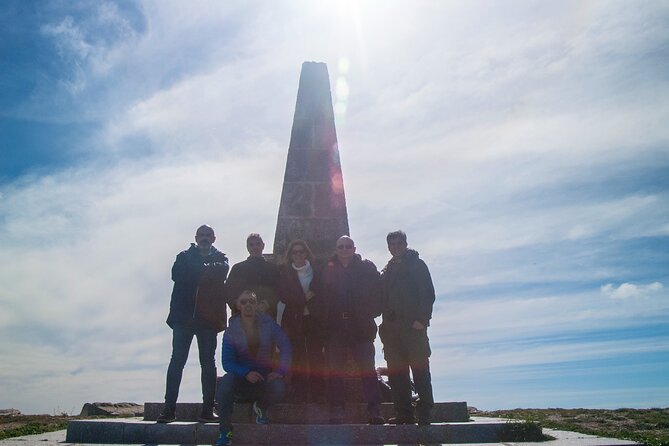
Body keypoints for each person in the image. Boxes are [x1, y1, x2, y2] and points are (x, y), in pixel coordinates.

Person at [158, 225, 229, 423]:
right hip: (183, 318)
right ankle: (168, 410)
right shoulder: (183, 256)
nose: (205, 238)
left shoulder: (221, 258)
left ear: (214, 238)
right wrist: (204, 273)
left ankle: (208, 410)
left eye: (208, 235)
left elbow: (222, 272)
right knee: (176, 362)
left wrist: (196, 271)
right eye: (202, 235)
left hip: (208, 320)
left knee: (208, 364)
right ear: (196, 238)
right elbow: (177, 274)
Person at [215, 290, 291, 446]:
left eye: (251, 301)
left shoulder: (268, 324)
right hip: (241, 380)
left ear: (257, 305)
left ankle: (261, 407)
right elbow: (227, 363)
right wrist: (246, 373)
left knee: (280, 386)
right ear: (238, 305)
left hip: (263, 378)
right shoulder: (231, 331)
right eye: (244, 302)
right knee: (225, 381)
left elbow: (286, 345)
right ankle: (225, 431)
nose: (248, 304)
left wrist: (280, 371)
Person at [321, 235, 384, 424]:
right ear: (336, 249)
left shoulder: (366, 268)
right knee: (335, 372)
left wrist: (370, 313)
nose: (344, 250)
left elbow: (379, 292)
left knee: (368, 371)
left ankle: (374, 411)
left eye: (348, 246)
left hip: (361, 328)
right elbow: (320, 298)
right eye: (341, 247)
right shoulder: (327, 270)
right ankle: (337, 410)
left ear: (354, 248)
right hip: (336, 329)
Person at [379, 230, 436, 425]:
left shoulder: (417, 265)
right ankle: (404, 413)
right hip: (392, 331)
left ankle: (425, 411)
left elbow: (427, 293)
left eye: (398, 243)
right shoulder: (387, 270)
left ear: (405, 243)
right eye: (391, 244)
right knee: (397, 373)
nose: (395, 247)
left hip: (414, 328)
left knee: (420, 370)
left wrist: (422, 319)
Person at [278, 239, 326, 403]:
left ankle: (318, 393)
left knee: (316, 356)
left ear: (306, 253)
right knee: (297, 357)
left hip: (314, 319)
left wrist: (308, 297)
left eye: (301, 251)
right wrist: (303, 298)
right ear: (290, 255)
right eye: (295, 252)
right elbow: (283, 295)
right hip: (294, 320)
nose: (298, 254)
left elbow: (322, 289)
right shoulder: (284, 272)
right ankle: (299, 394)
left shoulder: (316, 270)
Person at [225, 233, 280, 320]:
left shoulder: (273, 269)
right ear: (247, 247)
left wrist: (267, 303)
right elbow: (229, 291)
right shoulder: (238, 268)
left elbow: (278, 290)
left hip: (266, 316)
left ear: (263, 245)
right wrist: (237, 304)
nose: (255, 247)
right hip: (241, 318)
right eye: (251, 245)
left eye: (258, 244)